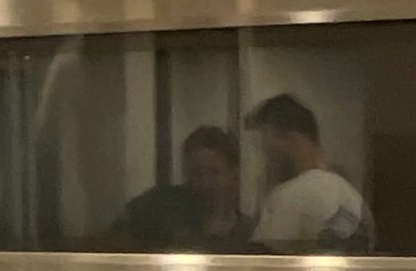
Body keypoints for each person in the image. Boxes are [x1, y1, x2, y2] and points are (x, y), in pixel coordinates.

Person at [243, 93, 374, 250]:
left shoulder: (289, 197)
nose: (266, 157)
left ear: (289, 138)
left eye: (266, 145)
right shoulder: (353, 198)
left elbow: (264, 265)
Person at [119, 124, 251, 247]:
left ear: (233, 173)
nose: (205, 181)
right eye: (196, 173)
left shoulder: (247, 232)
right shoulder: (156, 207)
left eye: (213, 173)